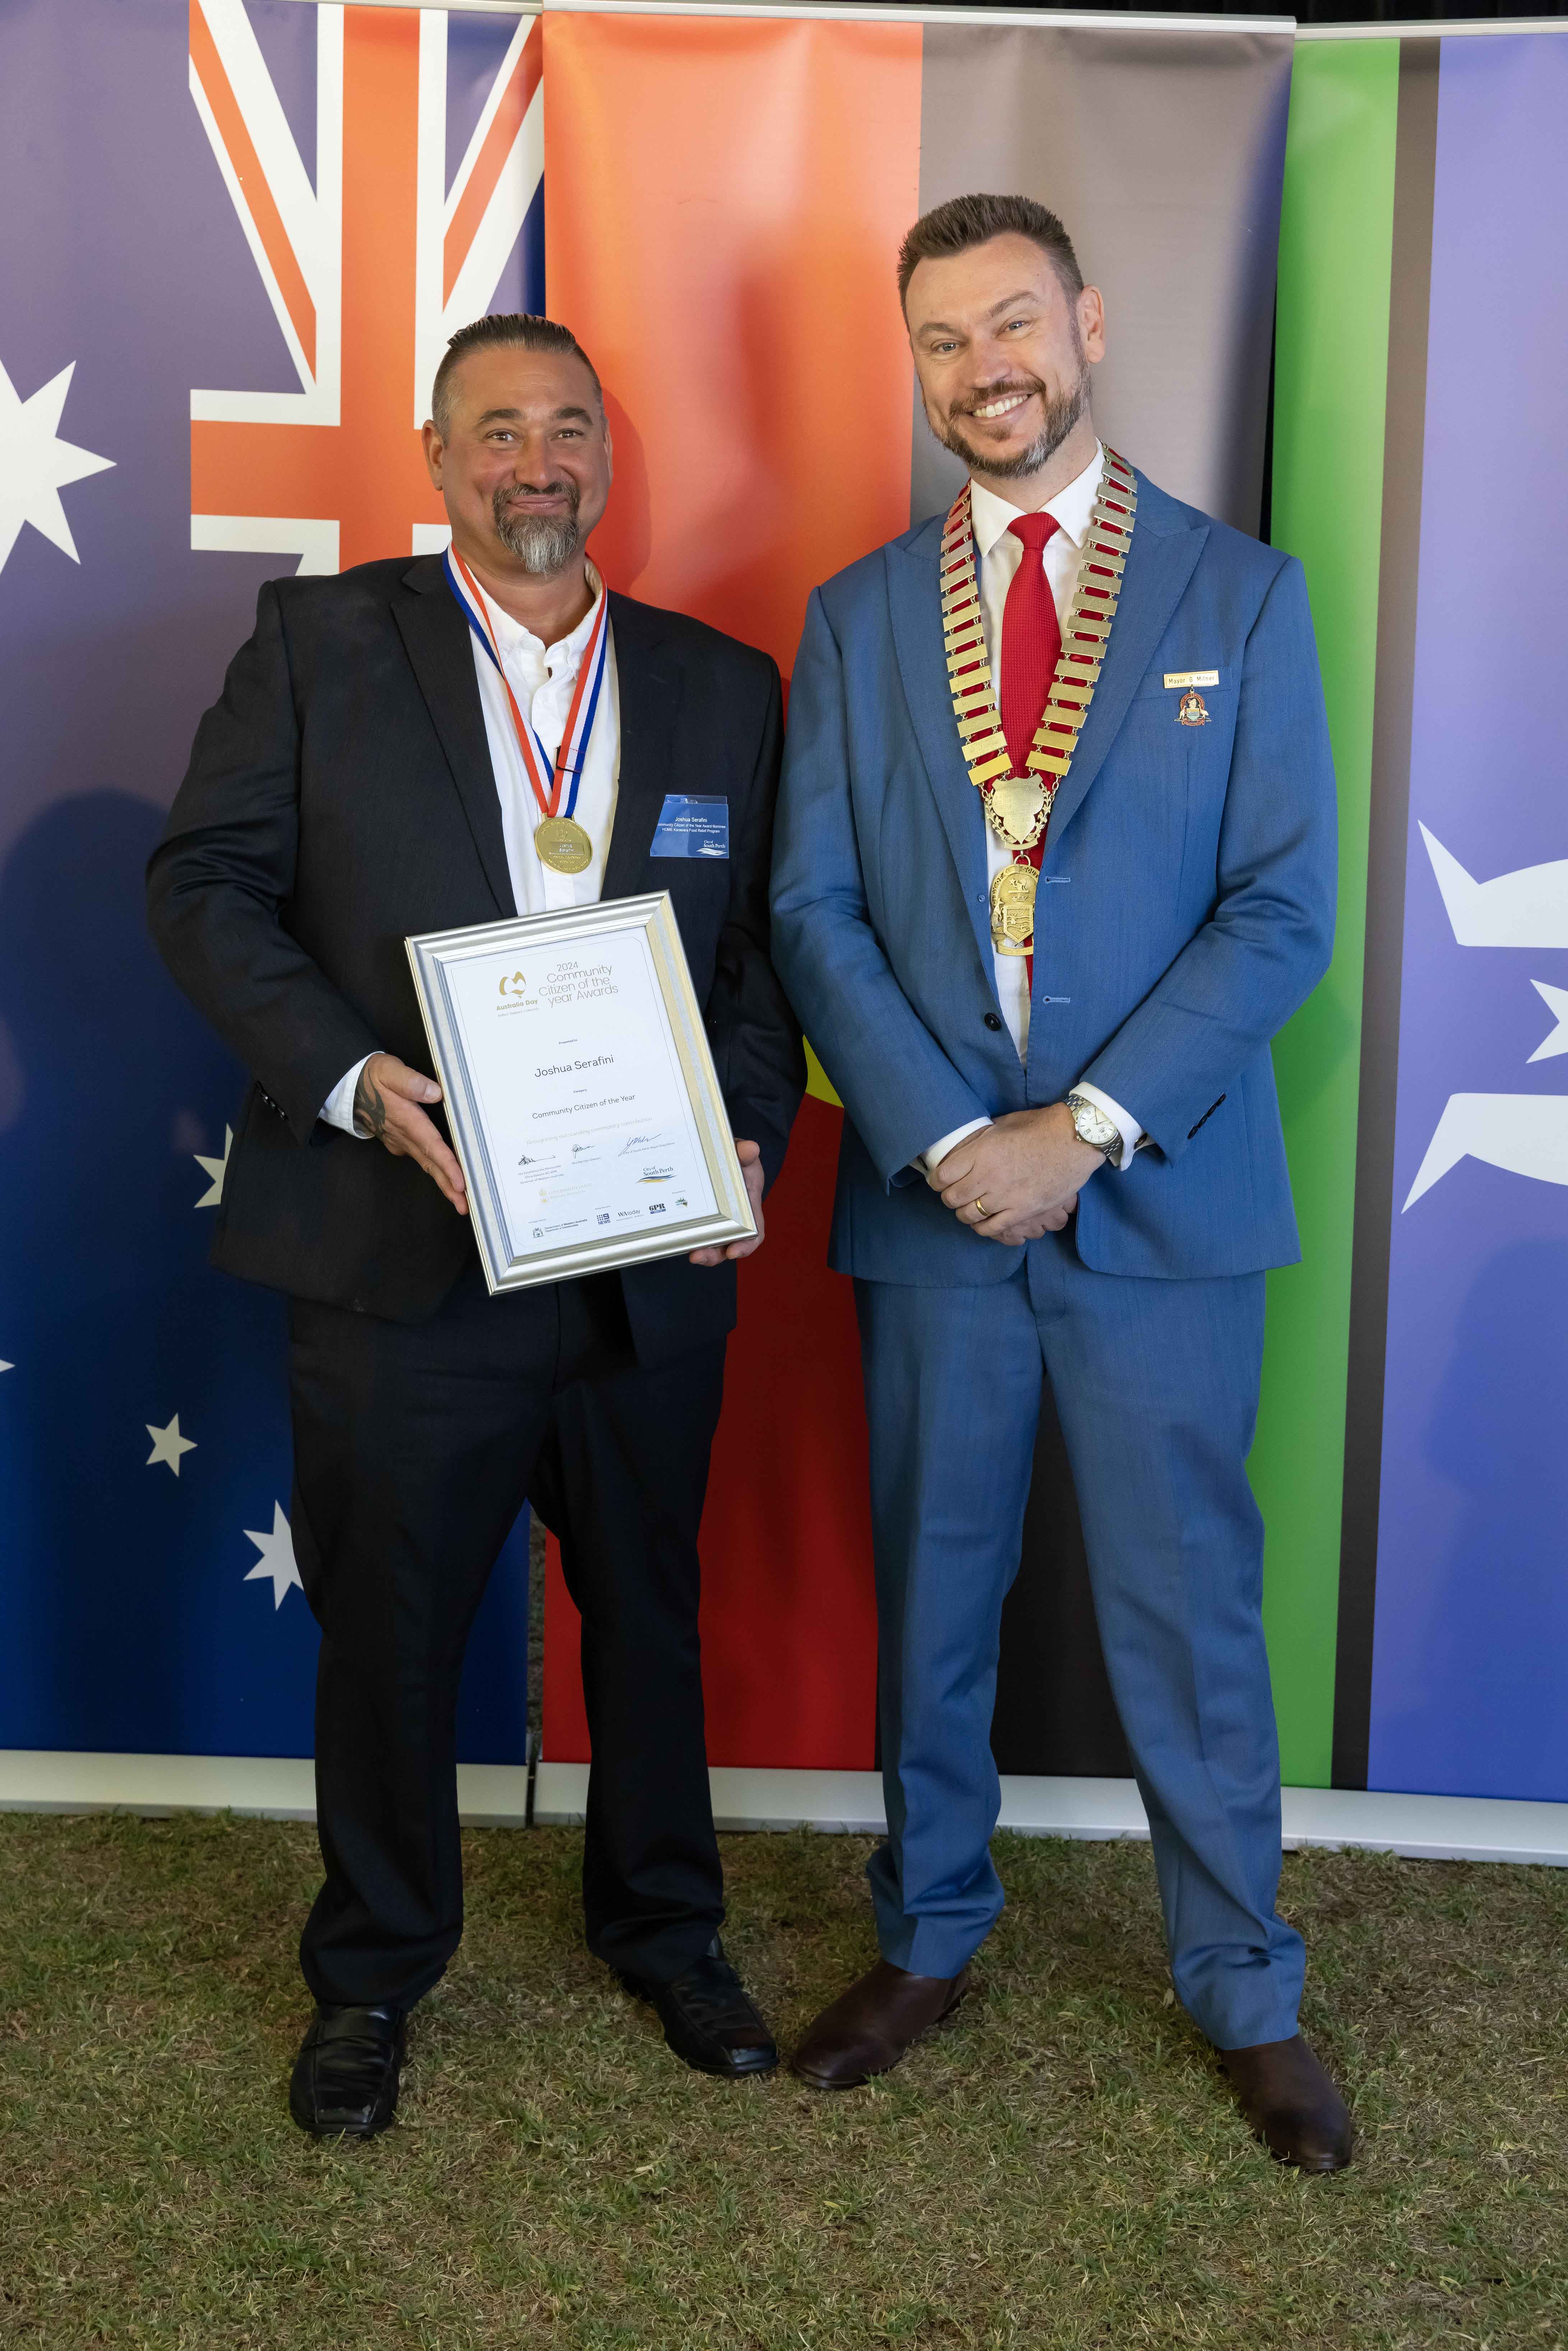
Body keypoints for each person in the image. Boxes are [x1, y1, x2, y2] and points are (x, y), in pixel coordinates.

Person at [148, 313, 803, 2137]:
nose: (539, 464)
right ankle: (369, 1974)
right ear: (435, 459)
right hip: (395, 1242)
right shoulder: (318, 645)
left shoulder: (720, 684)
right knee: (391, 1626)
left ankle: (670, 1930)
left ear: (610, 454)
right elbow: (201, 885)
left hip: (646, 1255)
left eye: (570, 429)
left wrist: (742, 1126)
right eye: (498, 431)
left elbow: (761, 959)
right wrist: (359, 1078)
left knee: (650, 1612)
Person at [769, 195, 1350, 2171]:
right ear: (917, 363)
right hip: (936, 1203)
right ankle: (928, 1936)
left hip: (1157, 1199)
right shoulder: (860, 618)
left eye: (1012, 323)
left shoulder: (1238, 596)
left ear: (1088, 326)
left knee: (1190, 1607)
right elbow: (814, 908)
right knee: (935, 1584)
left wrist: (1079, 1130)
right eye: (942, 340)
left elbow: (1281, 916)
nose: (982, 368)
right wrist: (949, 1137)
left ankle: (1245, 1986)